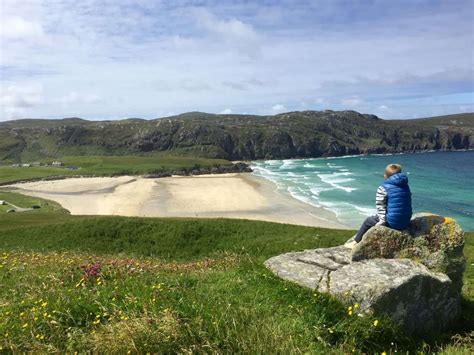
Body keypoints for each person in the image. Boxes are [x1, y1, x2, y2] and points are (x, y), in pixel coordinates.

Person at [345, 163, 412, 248]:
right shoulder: (406, 186)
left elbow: (380, 206)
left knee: (368, 221)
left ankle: (355, 242)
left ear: (385, 176)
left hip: (393, 223)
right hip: (406, 222)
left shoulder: (383, 188)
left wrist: (382, 222)